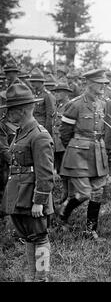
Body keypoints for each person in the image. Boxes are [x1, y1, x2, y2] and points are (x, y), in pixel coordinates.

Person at [0, 82, 54, 282]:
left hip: (32, 198)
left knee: (40, 237)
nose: (7, 114)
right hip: (19, 196)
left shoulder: (39, 135)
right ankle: (31, 276)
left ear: (21, 111)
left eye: (10, 110)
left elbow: (46, 173)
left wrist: (39, 201)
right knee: (28, 238)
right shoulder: (20, 133)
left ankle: (42, 277)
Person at [58, 69, 111, 241]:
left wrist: (107, 150)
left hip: (97, 151)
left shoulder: (103, 103)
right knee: (84, 193)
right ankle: (64, 211)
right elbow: (65, 132)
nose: (103, 86)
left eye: (104, 83)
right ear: (89, 84)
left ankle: (91, 231)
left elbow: (104, 129)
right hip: (78, 153)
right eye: (99, 83)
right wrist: (75, 148)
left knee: (97, 192)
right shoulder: (75, 104)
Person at [51, 80, 74, 210]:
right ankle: (65, 193)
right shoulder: (58, 105)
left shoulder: (69, 106)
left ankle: (70, 195)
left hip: (65, 143)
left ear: (66, 93)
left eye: (59, 92)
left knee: (68, 169)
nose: (56, 94)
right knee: (60, 169)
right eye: (55, 92)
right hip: (57, 142)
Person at [27, 68, 56, 136]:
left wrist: (46, 132)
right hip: (33, 126)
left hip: (42, 127)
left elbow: (50, 116)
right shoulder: (33, 94)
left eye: (34, 81)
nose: (32, 83)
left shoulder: (47, 95)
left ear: (40, 82)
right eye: (31, 81)